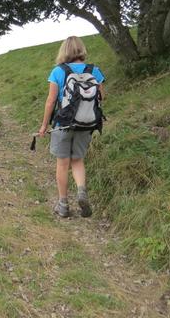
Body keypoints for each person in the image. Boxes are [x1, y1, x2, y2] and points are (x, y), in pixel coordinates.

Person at [38, 36, 105, 218]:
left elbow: (51, 101)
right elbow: (101, 98)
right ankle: (81, 192)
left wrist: (44, 125)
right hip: (86, 123)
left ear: (64, 51)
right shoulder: (94, 71)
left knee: (62, 163)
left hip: (63, 124)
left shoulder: (58, 71)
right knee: (77, 160)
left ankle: (63, 205)